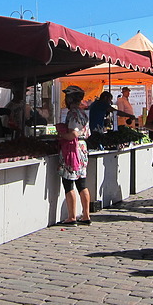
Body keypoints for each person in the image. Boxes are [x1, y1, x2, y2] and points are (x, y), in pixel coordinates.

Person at [56, 86, 92, 226]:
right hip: (82, 149)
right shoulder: (83, 113)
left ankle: (71, 217)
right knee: (82, 183)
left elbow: (73, 134)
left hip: (73, 149)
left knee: (69, 182)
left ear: (70, 99)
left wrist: (61, 135)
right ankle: (86, 215)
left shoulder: (73, 114)